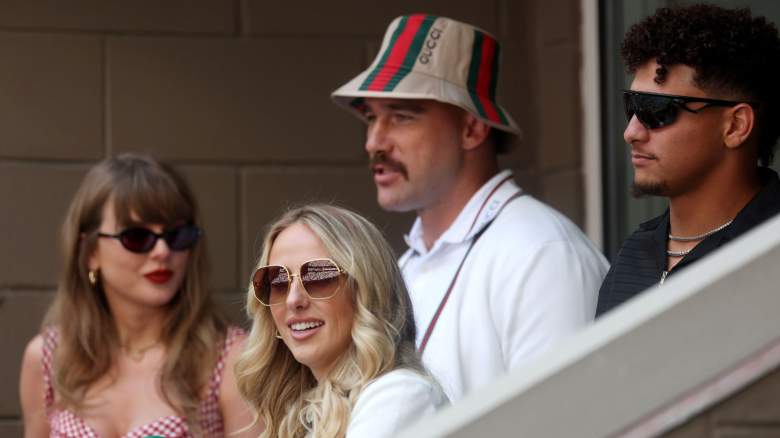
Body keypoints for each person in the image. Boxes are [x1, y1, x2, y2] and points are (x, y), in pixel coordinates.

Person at [331, 14, 609, 401]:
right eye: (372, 118)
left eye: (401, 116)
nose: (374, 142)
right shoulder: (408, 263)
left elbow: (563, 416)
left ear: (472, 129)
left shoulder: (542, 253)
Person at [19, 154, 259, 437]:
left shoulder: (230, 358)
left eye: (177, 235)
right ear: (91, 251)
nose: (162, 251)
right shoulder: (48, 357)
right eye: (137, 237)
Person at [596, 4, 780, 316]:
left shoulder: (769, 254)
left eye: (656, 110)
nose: (631, 132)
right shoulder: (632, 256)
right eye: (632, 106)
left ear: (735, 126)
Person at [235, 204, 447, 438]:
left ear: (367, 290)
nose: (293, 300)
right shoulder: (302, 416)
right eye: (278, 282)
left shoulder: (399, 395)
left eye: (318, 276)